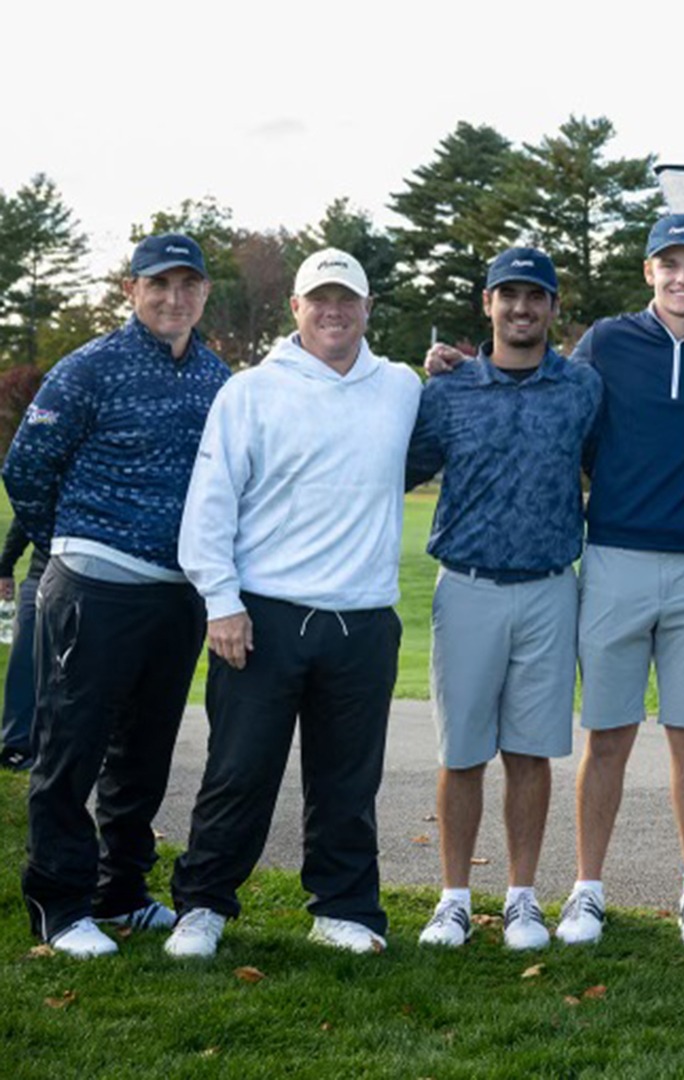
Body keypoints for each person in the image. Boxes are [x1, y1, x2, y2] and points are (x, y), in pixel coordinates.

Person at [165, 249, 422, 959]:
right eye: (320, 298)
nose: (333, 311)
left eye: (347, 299)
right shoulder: (252, 391)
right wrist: (220, 602)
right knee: (239, 772)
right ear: (296, 308)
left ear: (367, 308)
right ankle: (203, 905)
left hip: (363, 621)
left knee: (346, 781)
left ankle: (343, 908)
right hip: (264, 617)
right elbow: (209, 506)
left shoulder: (401, 386)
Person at [1, 233, 228, 957]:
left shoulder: (217, 376)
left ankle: (121, 892)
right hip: (94, 587)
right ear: (131, 291)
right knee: (70, 749)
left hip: (175, 594)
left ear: (203, 294)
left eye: (186, 285)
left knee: (143, 754)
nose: (172, 298)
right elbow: (28, 466)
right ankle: (61, 907)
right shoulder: (89, 367)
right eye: (157, 284)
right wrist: (72, 543)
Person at [558, 215, 684, 947]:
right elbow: (561, 406)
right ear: (648, 272)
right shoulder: (607, 340)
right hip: (614, 555)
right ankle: (586, 889)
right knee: (606, 733)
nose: (682, 277)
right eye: (668, 264)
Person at [407, 248, 601, 951]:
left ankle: (522, 899)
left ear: (552, 309)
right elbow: (395, 469)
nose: (522, 309)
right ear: (487, 304)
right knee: (461, 753)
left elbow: (608, 464)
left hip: (550, 587)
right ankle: (453, 898)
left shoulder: (581, 389)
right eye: (508, 296)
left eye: (535, 297)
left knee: (529, 752)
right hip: (468, 587)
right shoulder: (448, 391)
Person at [1, 518, 47, 770]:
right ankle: (17, 745)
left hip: (97, 575)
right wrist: (5, 566)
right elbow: (26, 518)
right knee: (24, 659)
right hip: (42, 572)